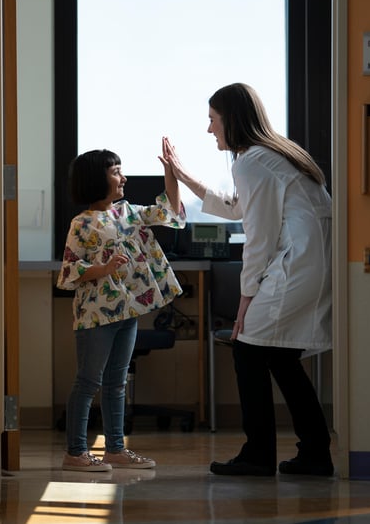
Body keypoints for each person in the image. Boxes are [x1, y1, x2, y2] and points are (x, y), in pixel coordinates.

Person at [159, 82, 334, 476]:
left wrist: (245, 300)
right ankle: (315, 454)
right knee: (282, 360)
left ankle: (259, 455)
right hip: (310, 265)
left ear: (231, 120)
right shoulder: (271, 156)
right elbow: (236, 209)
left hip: (297, 267)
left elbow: (258, 238)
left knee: (248, 350)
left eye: (212, 121)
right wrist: (183, 175)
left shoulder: (253, 161)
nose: (209, 130)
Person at [56, 148, 186, 472]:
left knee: (117, 383)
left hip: (126, 312)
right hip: (96, 315)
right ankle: (75, 453)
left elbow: (169, 210)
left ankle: (115, 449)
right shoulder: (81, 224)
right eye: (116, 171)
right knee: (88, 381)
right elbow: (71, 271)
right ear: (97, 179)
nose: (123, 177)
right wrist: (103, 268)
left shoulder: (128, 213)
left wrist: (172, 173)